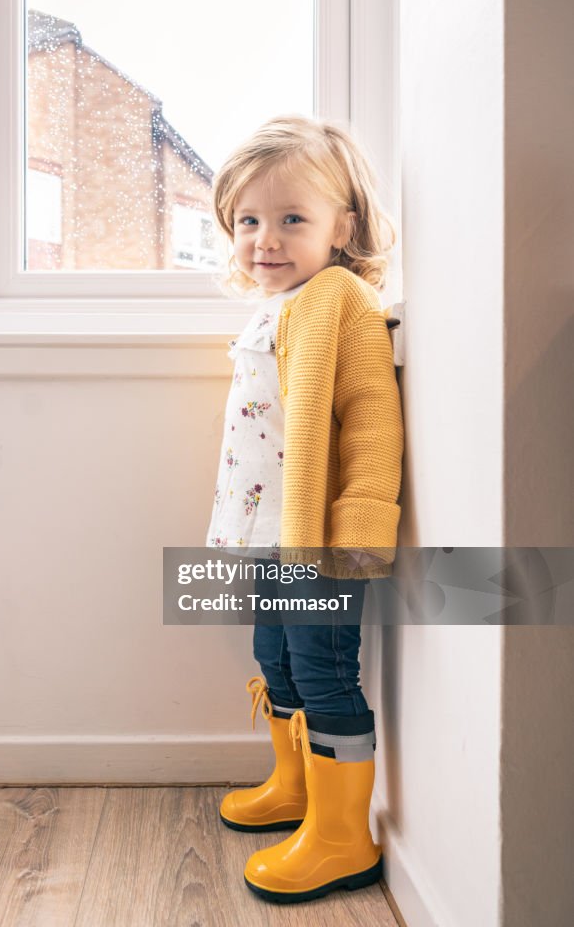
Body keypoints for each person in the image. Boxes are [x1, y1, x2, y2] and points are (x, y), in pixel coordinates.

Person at [204, 113, 404, 904]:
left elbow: (370, 420)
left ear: (342, 225)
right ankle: (296, 790)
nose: (266, 239)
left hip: (316, 541)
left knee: (322, 670)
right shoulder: (276, 304)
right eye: (247, 220)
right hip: (263, 536)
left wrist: (357, 533)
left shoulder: (339, 300)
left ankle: (340, 836)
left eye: (292, 218)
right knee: (277, 659)